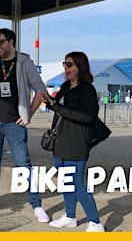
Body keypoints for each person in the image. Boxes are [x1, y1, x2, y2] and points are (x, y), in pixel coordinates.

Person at [0, 28, 50, 223]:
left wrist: (27, 116)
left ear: (11, 42)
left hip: (14, 124)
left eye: (0, 42)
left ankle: (37, 205)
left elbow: (41, 92)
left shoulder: (24, 62)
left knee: (23, 164)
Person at [45, 52, 105, 232]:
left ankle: (95, 222)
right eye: (65, 64)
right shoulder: (65, 86)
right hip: (60, 142)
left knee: (77, 183)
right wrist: (50, 102)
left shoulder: (87, 89)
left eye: (69, 64)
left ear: (80, 67)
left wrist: (58, 107)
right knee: (65, 182)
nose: (66, 68)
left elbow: (88, 116)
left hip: (77, 143)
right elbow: (59, 108)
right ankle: (70, 216)